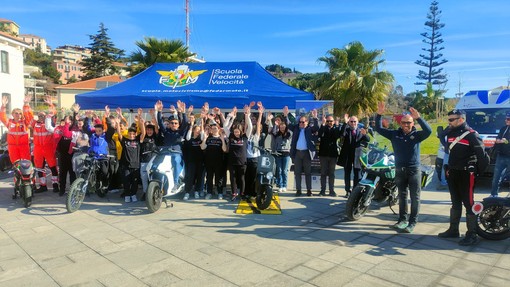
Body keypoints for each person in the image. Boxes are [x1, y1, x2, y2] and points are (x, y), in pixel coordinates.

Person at [375, 102, 432, 234]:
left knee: (415, 197)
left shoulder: (417, 135)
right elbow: (378, 129)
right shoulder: (394, 134)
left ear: (413, 124)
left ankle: (412, 222)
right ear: (400, 123)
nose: (406, 125)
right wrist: (379, 114)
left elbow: (429, 131)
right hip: (400, 169)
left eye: (409, 123)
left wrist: (419, 118)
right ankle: (402, 220)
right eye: (404, 122)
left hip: (414, 170)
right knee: (402, 195)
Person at [439, 109, 489, 246]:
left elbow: (483, 157)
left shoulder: (471, 135)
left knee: (469, 203)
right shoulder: (450, 133)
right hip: (453, 172)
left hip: (467, 174)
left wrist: (477, 172)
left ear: (461, 119)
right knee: (455, 202)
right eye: (448, 119)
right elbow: (448, 149)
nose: (448, 122)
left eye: (451, 120)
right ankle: (453, 230)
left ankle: (471, 234)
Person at [25, 96, 60, 194]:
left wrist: (50, 104)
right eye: (39, 116)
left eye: (43, 116)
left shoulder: (50, 123)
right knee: (39, 168)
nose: (41, 117)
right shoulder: (34, 124)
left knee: (53, 167)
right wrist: (26, 104)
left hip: (48, 148)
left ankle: (55, 185)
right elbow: (27, 116)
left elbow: (53, 113)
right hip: (38, 149)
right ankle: (43, 185)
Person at [156, 100, 188, 191]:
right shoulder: (166, 132)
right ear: (169, 124)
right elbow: (160, 123)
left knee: (176, 161)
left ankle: (175, 182)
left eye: (175, 123)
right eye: (172, 123)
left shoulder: (180, 132)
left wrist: (183, 112)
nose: (173, 124)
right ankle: (156, 183)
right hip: (165, 153)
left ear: (178, 125)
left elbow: (185, 122)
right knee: (156, 164)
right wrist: (159, 111)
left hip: (176, 153)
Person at [287, 106, 319, 196]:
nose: (301, 123)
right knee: (297, 173)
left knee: (308, 173)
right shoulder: (296, 128)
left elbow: (316, 127)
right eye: (300, 122)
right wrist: (287, 115)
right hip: (297, 153)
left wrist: (315, 117)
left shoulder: (309, 129)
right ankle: (298, 190)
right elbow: (289, 124)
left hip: (307, 153)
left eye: (303, 122)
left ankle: (309, 190)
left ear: (307, 122)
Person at [337, 114, 370, 197]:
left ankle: (355, 191)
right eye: (351, 121)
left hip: (357, 156)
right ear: (349, 122)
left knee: (357, 174)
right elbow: (342, 134)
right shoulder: (346, 130)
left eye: (354, 121)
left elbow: (368, 139)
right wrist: (345, 123)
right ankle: (347, 191)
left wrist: (365, 134)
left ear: (357, 122)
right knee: (347, 174)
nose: (353, 123)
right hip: (347, 155)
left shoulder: (360, 130)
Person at [117, 109, 146, 203]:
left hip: (136, 165)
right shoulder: (125, 140)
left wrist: (140, 119)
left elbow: (143, 133)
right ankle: (127, 194)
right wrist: (118, 123)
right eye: (130, 133)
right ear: (128, 134)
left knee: (134, 181)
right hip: (125, 165)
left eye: (133, 134)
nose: (132, 135)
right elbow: (119, 133)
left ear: (135, 134)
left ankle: (133, 194)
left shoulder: (138, 140)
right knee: (126, 181)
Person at [225, 105, 253, 200]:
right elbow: (225, 126)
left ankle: (242, 193)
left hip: (242, 162)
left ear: (241, 131)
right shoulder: (231, 136)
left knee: (241, 178)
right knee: (232, 178)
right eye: (235, 131)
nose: (236, 133)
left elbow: (250, 127)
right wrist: (230, 116)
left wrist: (247, 116)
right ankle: (234, 193)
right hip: (232, 162)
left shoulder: (244, 137)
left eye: (238, 132)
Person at [0, 95, 31, 165]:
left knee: (26, 164)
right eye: (16, 113)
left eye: (20, 113)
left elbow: (28, 115)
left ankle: (26, 176)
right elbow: (2, 117)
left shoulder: (25, 122)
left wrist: (26, 104)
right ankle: (17, 176)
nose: (18, 115)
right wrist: (3, 105)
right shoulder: (9, 122)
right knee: (15, 164)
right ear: (12, 114)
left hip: (24, 147)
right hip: (12, 147)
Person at [201, 119, 228, 199]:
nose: (214, 130)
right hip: (209, 162)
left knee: (218, 178)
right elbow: (202, 147)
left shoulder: (221, 138)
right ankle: (209, 192)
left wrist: (223, 140)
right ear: (211, 130)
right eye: (212, 129)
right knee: (209, 178)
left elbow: (224, 149)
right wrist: (205, 139)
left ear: (218, 129)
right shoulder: (208, 138)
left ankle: (219, 193)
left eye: (215, 128)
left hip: (219, 162)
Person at [317, 115, 342, 196]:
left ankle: (331, 190)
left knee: (331, 174)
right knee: (323, 173)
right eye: (328, 121)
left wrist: (337, 125)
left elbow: (337, 136)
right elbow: (320, 134)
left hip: (332, 155)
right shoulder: (323, 128)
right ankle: (322, 190)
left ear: (333, 122)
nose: (329, 123)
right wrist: (323, 124)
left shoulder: (335, 129)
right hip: (323, 155)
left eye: (331, 121)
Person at [183, 110, 205, 200]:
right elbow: (188, 136)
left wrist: (202, 120)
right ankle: (187, 192)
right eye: (197, 130)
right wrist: (192, 125)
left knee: (199, 177)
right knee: (190, 177)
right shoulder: (189, 138)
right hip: (191, 161)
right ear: (194, 131)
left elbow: (203, 133)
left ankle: (196, 191)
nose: (198, 132)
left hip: (200, 161)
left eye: (199, 131)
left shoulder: (201, 139)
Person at [140, 107, 159, 200]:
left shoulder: (155, 136)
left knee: (153, 177)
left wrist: (153, 115)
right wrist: (141, 119)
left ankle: (153, 193)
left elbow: (156, 127)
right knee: (144, 178)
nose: (149, 131)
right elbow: (142, 130)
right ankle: (145, 193)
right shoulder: (143, 137)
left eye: (150, 130)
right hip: (144, 160)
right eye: (148, 130)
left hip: (154, 160)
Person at [490, 112, 510, 197]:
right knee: (496, 177)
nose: (506, 120)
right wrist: (500, 141)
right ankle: (494, 194)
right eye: (506, 119)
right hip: (501, 156)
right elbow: (497, 139)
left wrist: (507, 141)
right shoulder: (503, 128)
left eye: (508, 119)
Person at [271, 116, 292, 193]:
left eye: (283, 127)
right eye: (281, 127)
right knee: (279, 170)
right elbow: (272, 132)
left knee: (284, 171)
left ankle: (284, 185)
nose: (282, 128)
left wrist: (286, 117)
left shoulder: (288, 134)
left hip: (286, 154)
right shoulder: (277, 134)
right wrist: (275, 125)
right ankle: (280, 185)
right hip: (278, 153)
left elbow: (290, 127)